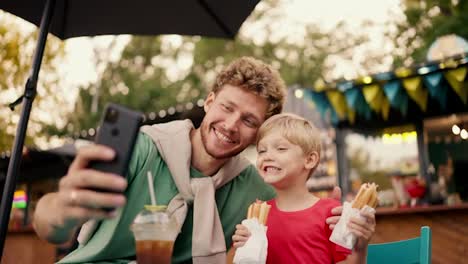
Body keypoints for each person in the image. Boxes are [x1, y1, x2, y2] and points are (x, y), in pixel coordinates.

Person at [33, 57, 344, 264]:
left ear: (259, 131)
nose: (231, 125)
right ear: (209, 102)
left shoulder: (253, 190)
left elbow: (294, 223)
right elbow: (50, 227)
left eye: (249, 120)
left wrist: (338, 222)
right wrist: (64, 209)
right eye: (226, 107)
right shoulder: (142, 148)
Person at [232, 113, 375, 264]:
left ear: (309, 160)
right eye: (262, 151)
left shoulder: (331, 213)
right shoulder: (257, 218)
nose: (267, 156)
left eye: (280, 148)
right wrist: (245, 248)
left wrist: (360, 249)